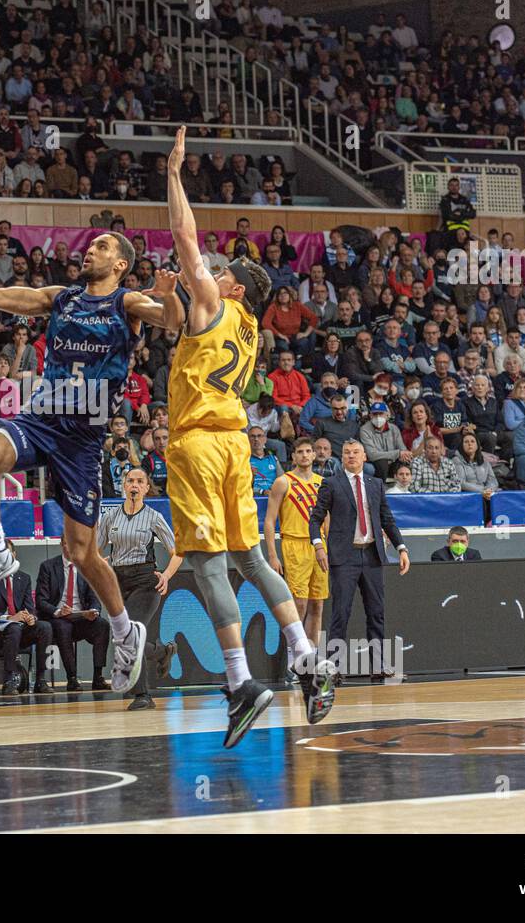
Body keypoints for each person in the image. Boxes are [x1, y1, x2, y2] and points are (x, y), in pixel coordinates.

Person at [0, 215, 174, 700]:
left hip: (82, 440)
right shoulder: (61, 297)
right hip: (42, 419)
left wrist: (169, 292)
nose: (90, 250)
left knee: (80, 551)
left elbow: (172, 321)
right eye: (90, 244)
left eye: (102, 245)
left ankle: (126, 631)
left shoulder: (126, 301)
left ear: (121, 263)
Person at [164, 125, 333, 742]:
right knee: (253, 558)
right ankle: (306, 657)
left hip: (200, 444)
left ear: (234, 288)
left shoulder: (215, 302)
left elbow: (185, 238)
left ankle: (240, 683)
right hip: (237, 444)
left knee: (209, 567)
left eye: (224, 269)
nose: (215, 267)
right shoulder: (249, 331)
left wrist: (175, 174)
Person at [308, 439, 411, 683]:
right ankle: (333, 666)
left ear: (365, 457)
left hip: (372, 554)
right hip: (344, 556)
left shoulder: (375, 484)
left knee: (376, 612)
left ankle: (378, 665)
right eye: (346, 453)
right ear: (341, 458)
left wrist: (402, 547)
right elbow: (315, 519)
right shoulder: (331, 483)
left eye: (356, 452)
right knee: (340, 613)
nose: (351, 456)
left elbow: (387, 518)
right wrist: (318, 545)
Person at [97, 468, 182, 709]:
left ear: (146, 488)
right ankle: (161, 652)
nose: (134, 485)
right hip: (117, 581)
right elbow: (96, 551)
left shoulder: (154, 516)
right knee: (125, 639)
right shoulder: (110, 517)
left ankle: (143, 696)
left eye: (139, 481)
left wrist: (166, 575)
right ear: (123, 485)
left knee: (131, 634)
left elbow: (177, 552)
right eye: (130, 481)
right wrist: (101, 563)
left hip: (146, 580)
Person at [264, 437, 327, 684]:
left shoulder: (323, 484)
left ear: (314, 455)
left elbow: (327, 519)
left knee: (317, 605)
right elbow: (269, 521)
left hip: (318, 546)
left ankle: (311, 658)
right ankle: (294, 660)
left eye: (308, 451)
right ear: (294, 456)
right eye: (300, 451)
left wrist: (327, 546)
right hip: (293, 543)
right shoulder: (283, 482)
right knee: (298, 605)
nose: (304, 455)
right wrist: (272, 553)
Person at [0, 539, 51, 696]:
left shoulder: (24, 578)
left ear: (14, 555)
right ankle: (8, 680)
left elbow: (30, 608)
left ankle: (40, 680)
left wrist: (31, 618)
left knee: (45, 627)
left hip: (19, 630)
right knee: (13, 627)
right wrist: (10, 618)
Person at [36, 537, 110, 691]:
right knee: (63, 627)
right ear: (62, 544)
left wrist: (94, 612)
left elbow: (94, 598)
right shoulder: (48, 567)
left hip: (81, 617)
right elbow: (41, 601)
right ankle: (72, 678)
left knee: (102, 625)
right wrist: (57, 611)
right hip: (58, 617)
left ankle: (98, 677)